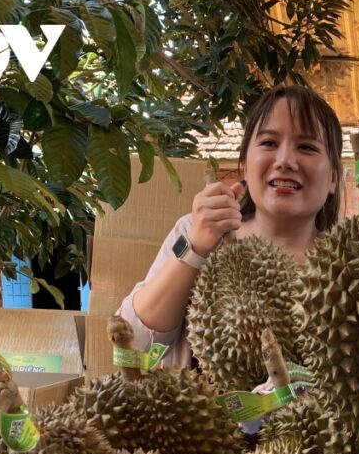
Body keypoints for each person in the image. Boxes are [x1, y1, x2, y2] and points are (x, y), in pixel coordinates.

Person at [118, 85, 343, 368]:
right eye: (269, 143)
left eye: (307, 147)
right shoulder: (192, 232)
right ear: (245, 164)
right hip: (199, 400)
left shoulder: (349, 265)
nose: (285, 160)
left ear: (333, 177)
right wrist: (195, 249)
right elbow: (132, 351)